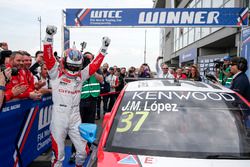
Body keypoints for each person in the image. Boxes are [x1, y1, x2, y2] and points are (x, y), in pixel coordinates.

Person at [43, 25, 110, 167]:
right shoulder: (56, 73)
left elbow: (93, 66)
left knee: (83, 152)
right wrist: (49, 37)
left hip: (75, 116)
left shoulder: (81, 74)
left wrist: (103, 48)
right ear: (64, 62)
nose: (73, 69)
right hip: (58, 117)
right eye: (71, 66)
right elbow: (48, 58)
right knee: (58, 155)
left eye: (76, 66)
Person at [69, 52, 103, 163]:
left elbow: (101, 80)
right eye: (86, 58)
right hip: (80, 101)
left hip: (92, 100)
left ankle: (88, 148)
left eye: (90, 58)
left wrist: (92, 71)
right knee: (77, 127)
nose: (88, 60)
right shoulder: (77, 69)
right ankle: (75, 151)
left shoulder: (96, 68)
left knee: (90, 125)